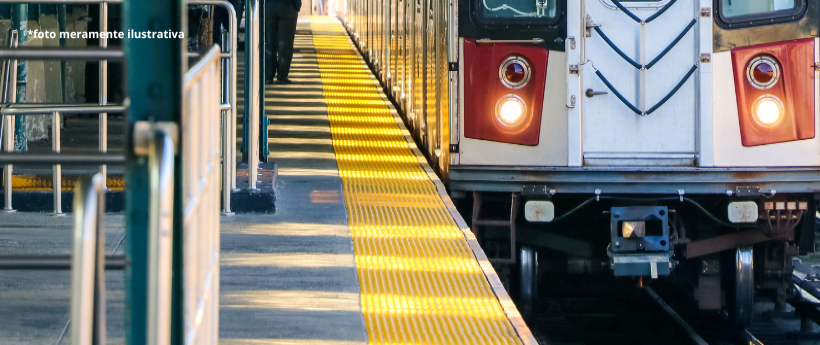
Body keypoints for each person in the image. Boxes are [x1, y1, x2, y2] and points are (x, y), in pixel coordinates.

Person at [265, 0, 301, 84]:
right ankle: (282, 75)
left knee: (269, 43)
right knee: (286, 44)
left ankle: (268, 76)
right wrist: (297, 6)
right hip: (288, 8)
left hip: (268, 7)